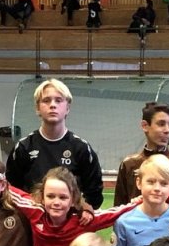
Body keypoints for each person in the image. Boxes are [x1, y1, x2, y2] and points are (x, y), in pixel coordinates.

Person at [8, 79, 105, 208]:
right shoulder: (23, 148)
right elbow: (11, 192)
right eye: (46, 100)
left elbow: (94, 195)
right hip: (32, 218)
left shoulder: (81, 149)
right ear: (37, 108)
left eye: (58, 100)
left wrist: (75, 210)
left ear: (67, 108)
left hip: (71, 219)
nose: (52, 105)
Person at [116, 102, 169, 205]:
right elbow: (119, 207)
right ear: (145, 126)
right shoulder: (128, 164)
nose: (167, 130)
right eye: (161, 124)